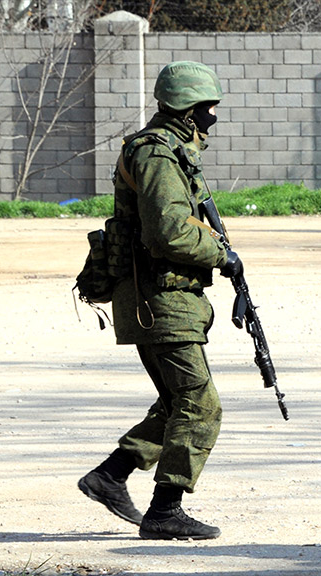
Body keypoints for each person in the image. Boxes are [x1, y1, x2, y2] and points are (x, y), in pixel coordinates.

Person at [78, 61, 239, 541]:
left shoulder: (171, 150)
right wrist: (223, 254)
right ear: (189, 110)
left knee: (176, 402)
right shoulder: (157, 154)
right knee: (199, 403)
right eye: (208, 106)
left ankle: (111, 475)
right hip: (158, 297)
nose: (213, 115)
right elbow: (168, 232)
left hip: (167, 296)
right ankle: (165, 511)